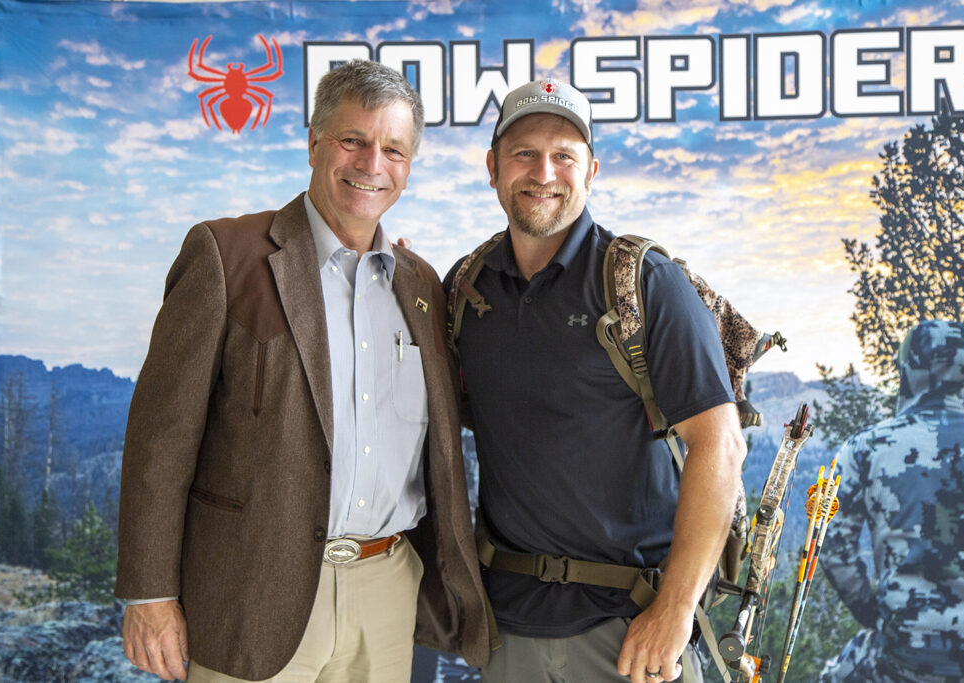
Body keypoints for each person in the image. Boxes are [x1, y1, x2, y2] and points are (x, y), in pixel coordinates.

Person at [115, 60, 491, 683]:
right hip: (251, 592)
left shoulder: (421, 285)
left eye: (393, 149)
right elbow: (161, 438)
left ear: (409, 164)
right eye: (353, 140)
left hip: (388, 589)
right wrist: (149, 594)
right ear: (314, 142)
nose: (372, 163)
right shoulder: (225, 256)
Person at [444, 79, 747, 683]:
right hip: (508, 630)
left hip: (631, 629)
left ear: (592, 170)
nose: (543, 171)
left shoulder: (646, 284)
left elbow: (720, 444)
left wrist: (676, 610)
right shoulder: (465, 288)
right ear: (493, 167)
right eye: (524, 152)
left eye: (564, 155)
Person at [820, 319, 964, 682]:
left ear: (910, 370)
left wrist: (877, 615)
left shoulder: (867, 448)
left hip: (909, 654)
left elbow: (833, 549)